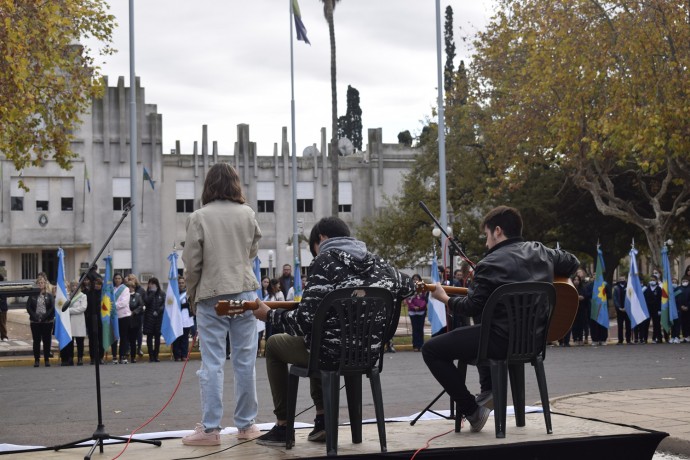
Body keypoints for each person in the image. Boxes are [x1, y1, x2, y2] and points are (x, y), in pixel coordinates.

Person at [253, 216, 415, 447]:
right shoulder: (378, 262)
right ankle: (322, 421)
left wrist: (269, 315)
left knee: (276, 344)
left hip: (330, 354)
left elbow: (302, 322)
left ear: (322, 238)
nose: (316, 255)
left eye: (314, 249)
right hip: (367, 354)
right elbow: (408, 287)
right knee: (316, 337)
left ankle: (283, 426)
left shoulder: (325, 261)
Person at [422, 206, 579, 433]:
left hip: (498, 341)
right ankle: (489, 389)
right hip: (534, 342)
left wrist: (444, 298)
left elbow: (470, 306)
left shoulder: (489, 264)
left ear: (497, 231)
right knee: (483, 324)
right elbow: (572, 262)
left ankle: (472, 410)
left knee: (432, 350)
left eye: (486, 236)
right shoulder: (542, 252)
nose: (486, 243)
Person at [181, 162, 263, 446]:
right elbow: (252, 250)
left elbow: (192, 265)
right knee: (245, 361)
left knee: (212, 362)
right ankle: (247, 425)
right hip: (245, 294)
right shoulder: (248, 213)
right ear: (235, 185)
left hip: (212, 296)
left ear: (209, 186)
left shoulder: (199, 217)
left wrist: (193, 295)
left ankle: (211, 429)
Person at [26, 275, 55, 367]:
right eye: (39, 283)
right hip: (35, 322)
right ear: (36, 284)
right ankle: (37, 360)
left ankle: (46, 359)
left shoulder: (49, 295)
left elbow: (52, 308)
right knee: (36, 341)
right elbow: (28, 307)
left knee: (47, 341)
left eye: (42, 282)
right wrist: (35, 317)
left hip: (47, 322)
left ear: (45, 284)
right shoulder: (32, 295)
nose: (40, 284)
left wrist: (44, 317)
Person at [63, 279, 87, 366]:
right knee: (70, 342)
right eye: (73, 285)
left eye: (76, 285)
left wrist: (69, 310)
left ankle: (80, 358)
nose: (74, 287)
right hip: (69, 321)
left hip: (79, 321)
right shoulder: (67, 296)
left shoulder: (83, 296)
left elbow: (82, 308)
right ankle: (70, 358)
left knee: (80, 341)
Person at [142, 277, 165, 362]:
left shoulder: (162, 293)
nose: (151, 285)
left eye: (153, 283)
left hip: (158, 319)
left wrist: (158, 311)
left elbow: (164, 305)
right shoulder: (147, 293)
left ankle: (156, 355)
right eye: (150, 283)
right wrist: (152, 292)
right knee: (149, 337)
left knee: (157, 338)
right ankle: (151, 356)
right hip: (149, 318)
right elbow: (146, 302)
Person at [172, 276, 194, 361]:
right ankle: (177, 355)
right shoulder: (174, 293)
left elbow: (192, 303)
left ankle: (184, 355)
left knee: (185, 337)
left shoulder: (188, 293)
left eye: (182, 283)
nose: (181, 284)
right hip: (177, 318)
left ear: (185, 284)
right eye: (179, 283)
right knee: (177, 337)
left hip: (186, 318)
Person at [111, 273, 131, 364]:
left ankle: (122, 356)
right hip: (114, 316)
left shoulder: (125, 289)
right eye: (116, 278)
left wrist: (112, 306)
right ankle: (114, 356)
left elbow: (124, 302)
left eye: (119, 278)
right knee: (114, 337)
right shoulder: (111, 289)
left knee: (124, 337)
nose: (117, 280)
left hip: (123, 316)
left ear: (121, 279)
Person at [125, 273, 147, 357]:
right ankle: (128, 349)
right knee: (128, 333)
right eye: (129, 279)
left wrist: (136, 311)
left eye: (132, 278)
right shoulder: (126, 289)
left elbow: (144, 302)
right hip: (128, 314)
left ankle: (139, 348)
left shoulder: (141, 290)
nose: (131, 280)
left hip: (138, 315)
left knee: (138, 332)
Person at [405, 274, 427, 351]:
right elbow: (408, 300)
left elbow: (425, 300)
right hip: (412, 312)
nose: (415, 280)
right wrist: (413, 307)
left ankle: (421, 345)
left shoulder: (423, 289)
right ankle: (415, 346)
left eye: (417, 279)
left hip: (421, 312)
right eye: (414, 279)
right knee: (415, 329)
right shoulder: (410, 289)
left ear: (420, 280)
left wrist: (420, 307)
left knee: (420, 329)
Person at [643, 274, 662, 343]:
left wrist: (660, 309)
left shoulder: (659, 289)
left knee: (656, 324)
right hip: (648, 309)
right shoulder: (646, 289)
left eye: (653, 280)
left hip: (656, 309)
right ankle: (645, 339)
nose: (652, 281)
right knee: (646, 324)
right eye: (651, 280)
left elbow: (660, 300)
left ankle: (656, 338)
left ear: (656, 281)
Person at [612, 275, 631, 345]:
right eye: (620, 279)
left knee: (628, 325)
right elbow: (615, 299)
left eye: (623, 279)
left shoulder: (629, 287)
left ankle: (628, 339)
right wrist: (619, 307)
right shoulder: (616, 288)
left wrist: (627, 307)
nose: (622, 280)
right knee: (620, 325)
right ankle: (620, 340)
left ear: (625, 279)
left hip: (627, 309)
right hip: (620, 310)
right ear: (618, 280)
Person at [0, 274, 8, 341]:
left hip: (2, 307)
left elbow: (4, 297)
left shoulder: (3, 286)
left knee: (2, 323)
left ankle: (4, 336)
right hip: (3, 307)